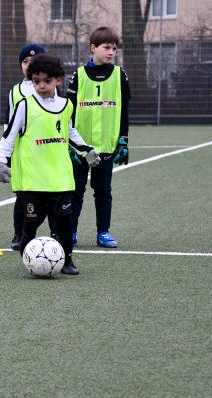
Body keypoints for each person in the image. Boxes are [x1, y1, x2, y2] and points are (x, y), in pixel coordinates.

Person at [0, 54, 100, 275]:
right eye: (36, 81)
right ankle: (29, 259)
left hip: (60, 179)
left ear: (58, 80)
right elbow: (9, 135)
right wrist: (0, 161)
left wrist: (87, 150)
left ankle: (67, 260)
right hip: (32, 181)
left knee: (63, 224)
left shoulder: (66, 105)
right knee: (31, 224)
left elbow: (70, 133)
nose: (41, 85)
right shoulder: (25, 105)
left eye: (46, 81)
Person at [66, 27, 131, 248]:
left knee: (103, 191)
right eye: (106, 47)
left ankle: (103, 232)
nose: (111, 52)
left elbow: (124, 110)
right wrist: (69, 144)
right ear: (93, 48)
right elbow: (68, 111)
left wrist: (123, 139)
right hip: (80, 149)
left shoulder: (119, 75)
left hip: (107, 147)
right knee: (75, 191)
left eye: (114, 48)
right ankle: (70, 231)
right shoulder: (79, 75)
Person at [6, 43, 46, 251]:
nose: (30, 65)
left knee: (50, 196)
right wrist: (6, 152)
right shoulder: (15, 92)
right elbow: (9, 124)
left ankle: (57, 233)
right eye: (25, 61)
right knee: (22, 196)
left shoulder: (50, 88)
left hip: (47, 152)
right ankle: (19, 235)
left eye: (34, 60)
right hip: (24, 154)